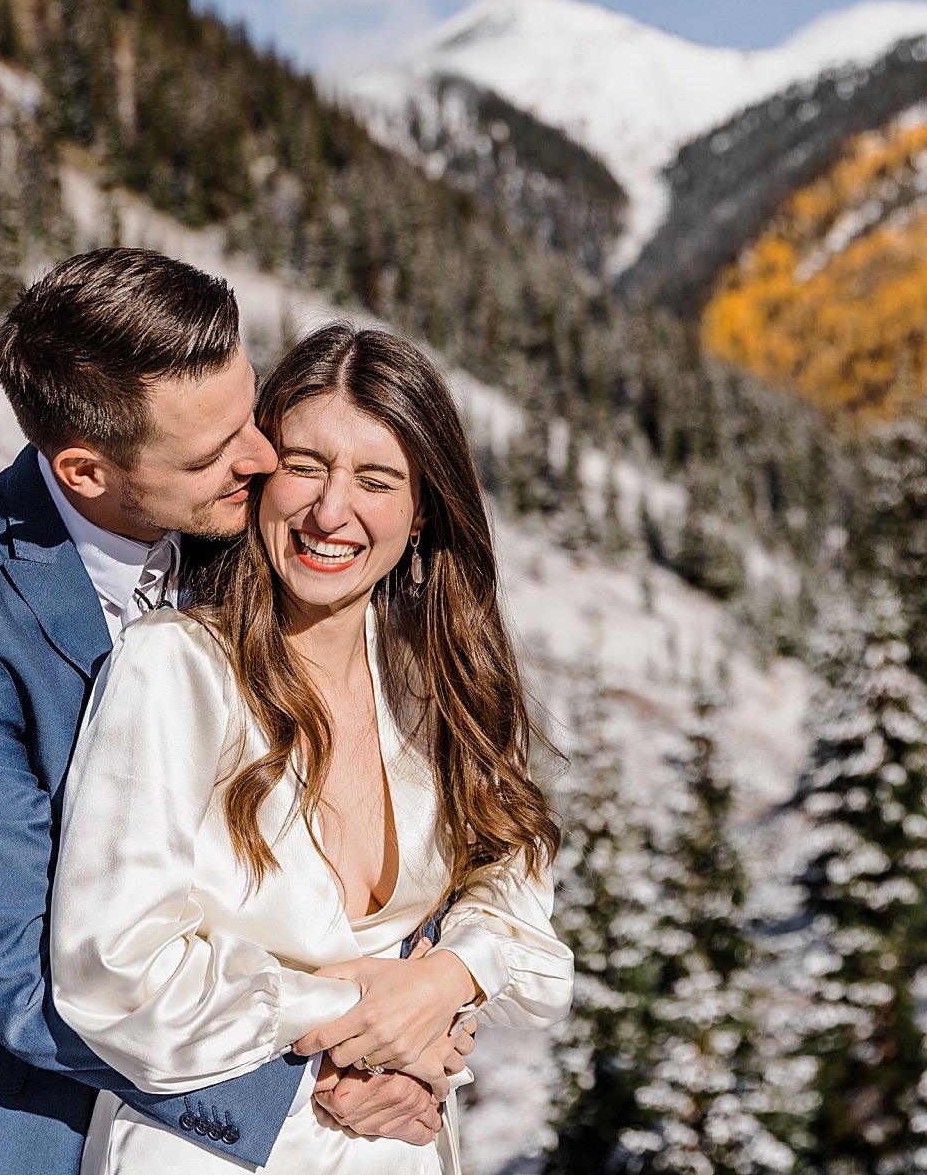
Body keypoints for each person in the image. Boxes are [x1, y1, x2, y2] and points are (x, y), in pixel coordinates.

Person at [0, 250, 453, 1175]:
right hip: (30, 1122)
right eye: (214, 452)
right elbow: (20, 974)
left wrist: (421, 1006)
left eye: (248, 413)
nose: (261, 460)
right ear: (87, 471)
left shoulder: (252, 522)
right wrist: (330, 1056)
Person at [48, 323, 575, 1173]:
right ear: (259, 472)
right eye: (305, 465)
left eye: (376, 479)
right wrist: (359, 1016)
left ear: (422, 510)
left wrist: (444, 980)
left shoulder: (436, 681)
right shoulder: (177, 667)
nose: (332, 511)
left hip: (397, 1146)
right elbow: (112, 972)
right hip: (205, 1151)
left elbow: (528, 935)